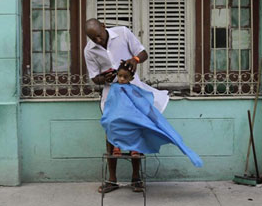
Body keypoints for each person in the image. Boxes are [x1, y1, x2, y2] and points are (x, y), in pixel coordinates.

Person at [83, 18, 169, 193]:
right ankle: (112, 180)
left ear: (103, 27)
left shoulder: (122, 33)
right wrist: (103, 78)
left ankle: (136, 178)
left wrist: (135, 59)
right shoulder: (89, 51)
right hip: (111, 95)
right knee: (111, 130)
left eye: (99, 36)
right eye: (94, 39)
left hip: (133, 92)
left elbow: (143, 52)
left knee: (136, 129)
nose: (98, 41)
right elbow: (94, 78)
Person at [101, 61, 203, 170]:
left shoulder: (133, 89)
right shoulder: (114, 88)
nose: (121, 79)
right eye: (120, 76)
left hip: (132, 115)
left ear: (131, 79)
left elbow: (141, 103)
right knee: (111, 123)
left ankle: (135, 148)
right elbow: (111, 104)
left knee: (137, 125)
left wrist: (142, 114)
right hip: (116, 114)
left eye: (125, 77)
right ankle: (117, 146)